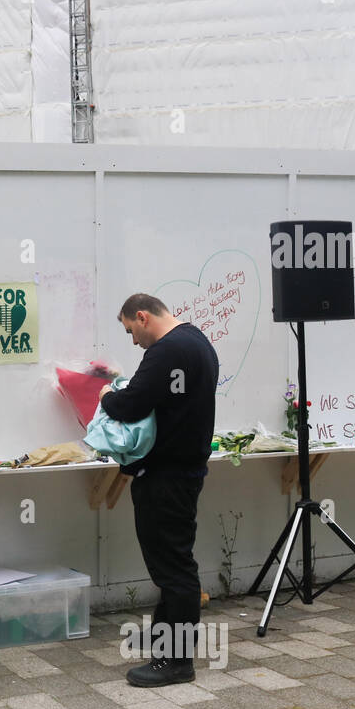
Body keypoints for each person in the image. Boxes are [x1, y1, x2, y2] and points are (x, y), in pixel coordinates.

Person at [98, 294, 219, 686]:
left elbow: (132, 405)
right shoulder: (198, 341)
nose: (133, 342)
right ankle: (165, 633)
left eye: (131, 331)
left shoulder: (166, 351)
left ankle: (177, 661)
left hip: (165, 474)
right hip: (185, 469)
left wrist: (106, 397)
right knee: (172, 560)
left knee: (173, 567)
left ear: (143, 316)